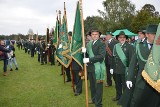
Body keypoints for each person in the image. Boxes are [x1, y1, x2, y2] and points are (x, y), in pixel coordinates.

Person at [126, 24, 160, 107]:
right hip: (142, 80)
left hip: (156, 81)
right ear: (147, 34)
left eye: (157, 34)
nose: (156, 36)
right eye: (154, 34)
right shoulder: (139, 46)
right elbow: (133, 64)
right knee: (137, 101)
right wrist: (129, 78)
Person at [82, 30, 106, 107]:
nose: (94, 35)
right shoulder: (89, 43)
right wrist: (84, 52)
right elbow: (88, 55)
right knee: (92, 86)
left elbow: (101, 56)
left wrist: (89, 60)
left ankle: (98, 103)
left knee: (98, 87)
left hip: (98, 68)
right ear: (91, 35)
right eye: (93, 34)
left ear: (99, 35)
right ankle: (93, 99)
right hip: (91, 68)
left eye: (96, 34)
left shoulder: (101, 44)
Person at [111, 31, 134, 101]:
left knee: (125, 85)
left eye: (123, 37)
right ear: (118, 38)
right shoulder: (115, 46)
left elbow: (132, 60)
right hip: (116, 69)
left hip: (125, 69)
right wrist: (112, 67)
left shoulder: (129, 46)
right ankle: (118, 96)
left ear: (126, 38)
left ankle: (125, 98)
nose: (122, 38)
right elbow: (113, 57)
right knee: (117, 84)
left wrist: (130, 70)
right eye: (120, 37)